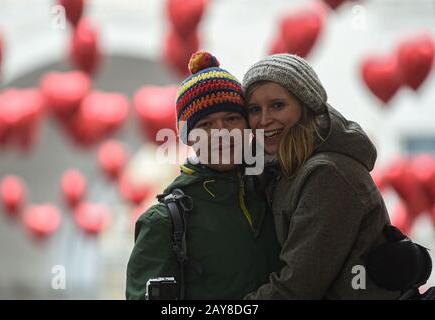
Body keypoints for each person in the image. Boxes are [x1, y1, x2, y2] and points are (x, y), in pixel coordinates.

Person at [241, 53, 402, 299]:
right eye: (254, 109)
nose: (264, 120)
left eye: (277, 105)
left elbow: (297, 289)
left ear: (306, 107)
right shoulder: (282, 170)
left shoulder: (326, 174)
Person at [125, 51, 281, 300]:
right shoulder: (165, 222)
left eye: (231, 118)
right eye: (206, 124)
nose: (222, 132)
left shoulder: (275, 191)